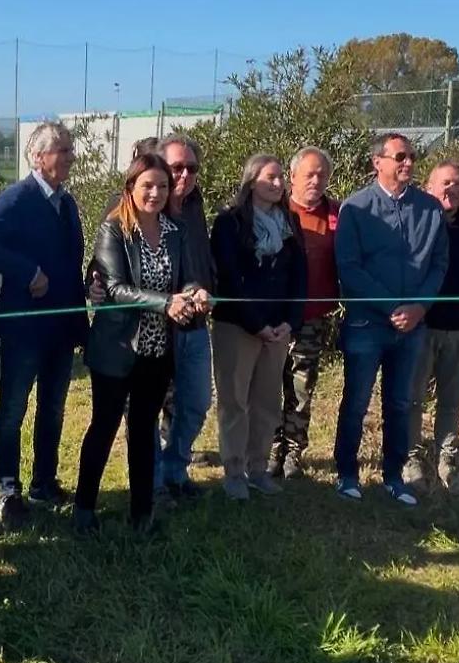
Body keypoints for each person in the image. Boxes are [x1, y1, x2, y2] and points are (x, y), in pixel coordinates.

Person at [0, 122, 88, 530]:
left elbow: (71, 271)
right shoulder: (17, 199)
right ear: (38, 157)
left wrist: (81, 328)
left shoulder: (66, 205)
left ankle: (43, 482)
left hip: (59, 330)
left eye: (70, 150)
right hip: (24, 330)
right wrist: (26, 271)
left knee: (52, 409)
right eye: (63, 150)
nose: (70, 156)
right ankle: (8, 490)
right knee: (14, 409)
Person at [76, 154, 207, 533]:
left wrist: (193, 292)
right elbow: (114, 288)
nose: (155, 193)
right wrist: (167, 302)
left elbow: (184, 278)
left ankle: (142, 513)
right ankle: (84, 509)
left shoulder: (174, 230)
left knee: (143, 428)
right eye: (147, 185)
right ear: (130, 187)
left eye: (162, 186)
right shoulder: (114, 229)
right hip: (117, 349)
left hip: (157, 349)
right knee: (103, 427)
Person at [333, 132, 448, 506]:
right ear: (377, 162)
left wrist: (418, 308)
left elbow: (438, 265)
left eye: (412, 156)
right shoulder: (355, 208)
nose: (408, 163)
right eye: (399, 156)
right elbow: (349, 269)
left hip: (412, 327)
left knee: (400, 402)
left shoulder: (430, 209)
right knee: (356, 401)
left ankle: (394, 477)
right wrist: (390, 306)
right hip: (367, 324)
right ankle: (347, 474)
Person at [210, 154, 307, 500]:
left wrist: (288, 323)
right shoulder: (230, 223)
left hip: (278, 330)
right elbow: (230, 278)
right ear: (252, 181)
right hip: (238, 327)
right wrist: (257, 324)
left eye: (281, 178)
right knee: (235, 401)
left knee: (267, 401)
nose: (280, 184)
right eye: (272, 177)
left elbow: (299, 277)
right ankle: (234, 471)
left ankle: (258, 468)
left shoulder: (290, 223)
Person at [404, 161, 459, 489]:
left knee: (451, 401)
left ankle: (447, 460)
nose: (452, 189)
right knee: (411, 398)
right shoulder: (415, 224)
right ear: (429, 188)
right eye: (445, 183)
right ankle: (410, 458)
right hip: (421, 329)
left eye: (458, 183)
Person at [270, 147, 339, 479]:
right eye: (309, 173)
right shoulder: (275, 211)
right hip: (275, 318)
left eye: (322, 174)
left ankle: (294, 452)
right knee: (269, 383)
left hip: (313, 318)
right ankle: (271, 449)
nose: (316, 180)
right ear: (292, 177)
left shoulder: (337, 214)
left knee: (301, 387)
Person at [155, 134, 215, 497]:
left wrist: (206, 288)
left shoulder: (195, 204)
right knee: (148, 410)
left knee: (196, 403)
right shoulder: (139, 203)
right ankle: (155, 480)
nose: (185, 175)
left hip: (195, 324)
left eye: (192, 168)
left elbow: (199, 257)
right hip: (155, 326)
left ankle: (175, 468)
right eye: (177, 167)